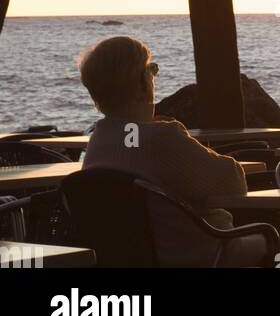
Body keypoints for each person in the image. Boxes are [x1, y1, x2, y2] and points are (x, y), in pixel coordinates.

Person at [78, 36, 266, 266]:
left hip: (136, 260)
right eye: (151, 69)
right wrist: (183, 139)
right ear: (141, 85)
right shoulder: (161, 138)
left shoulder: (97, 143)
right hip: (203, 254)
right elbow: (234, 183)